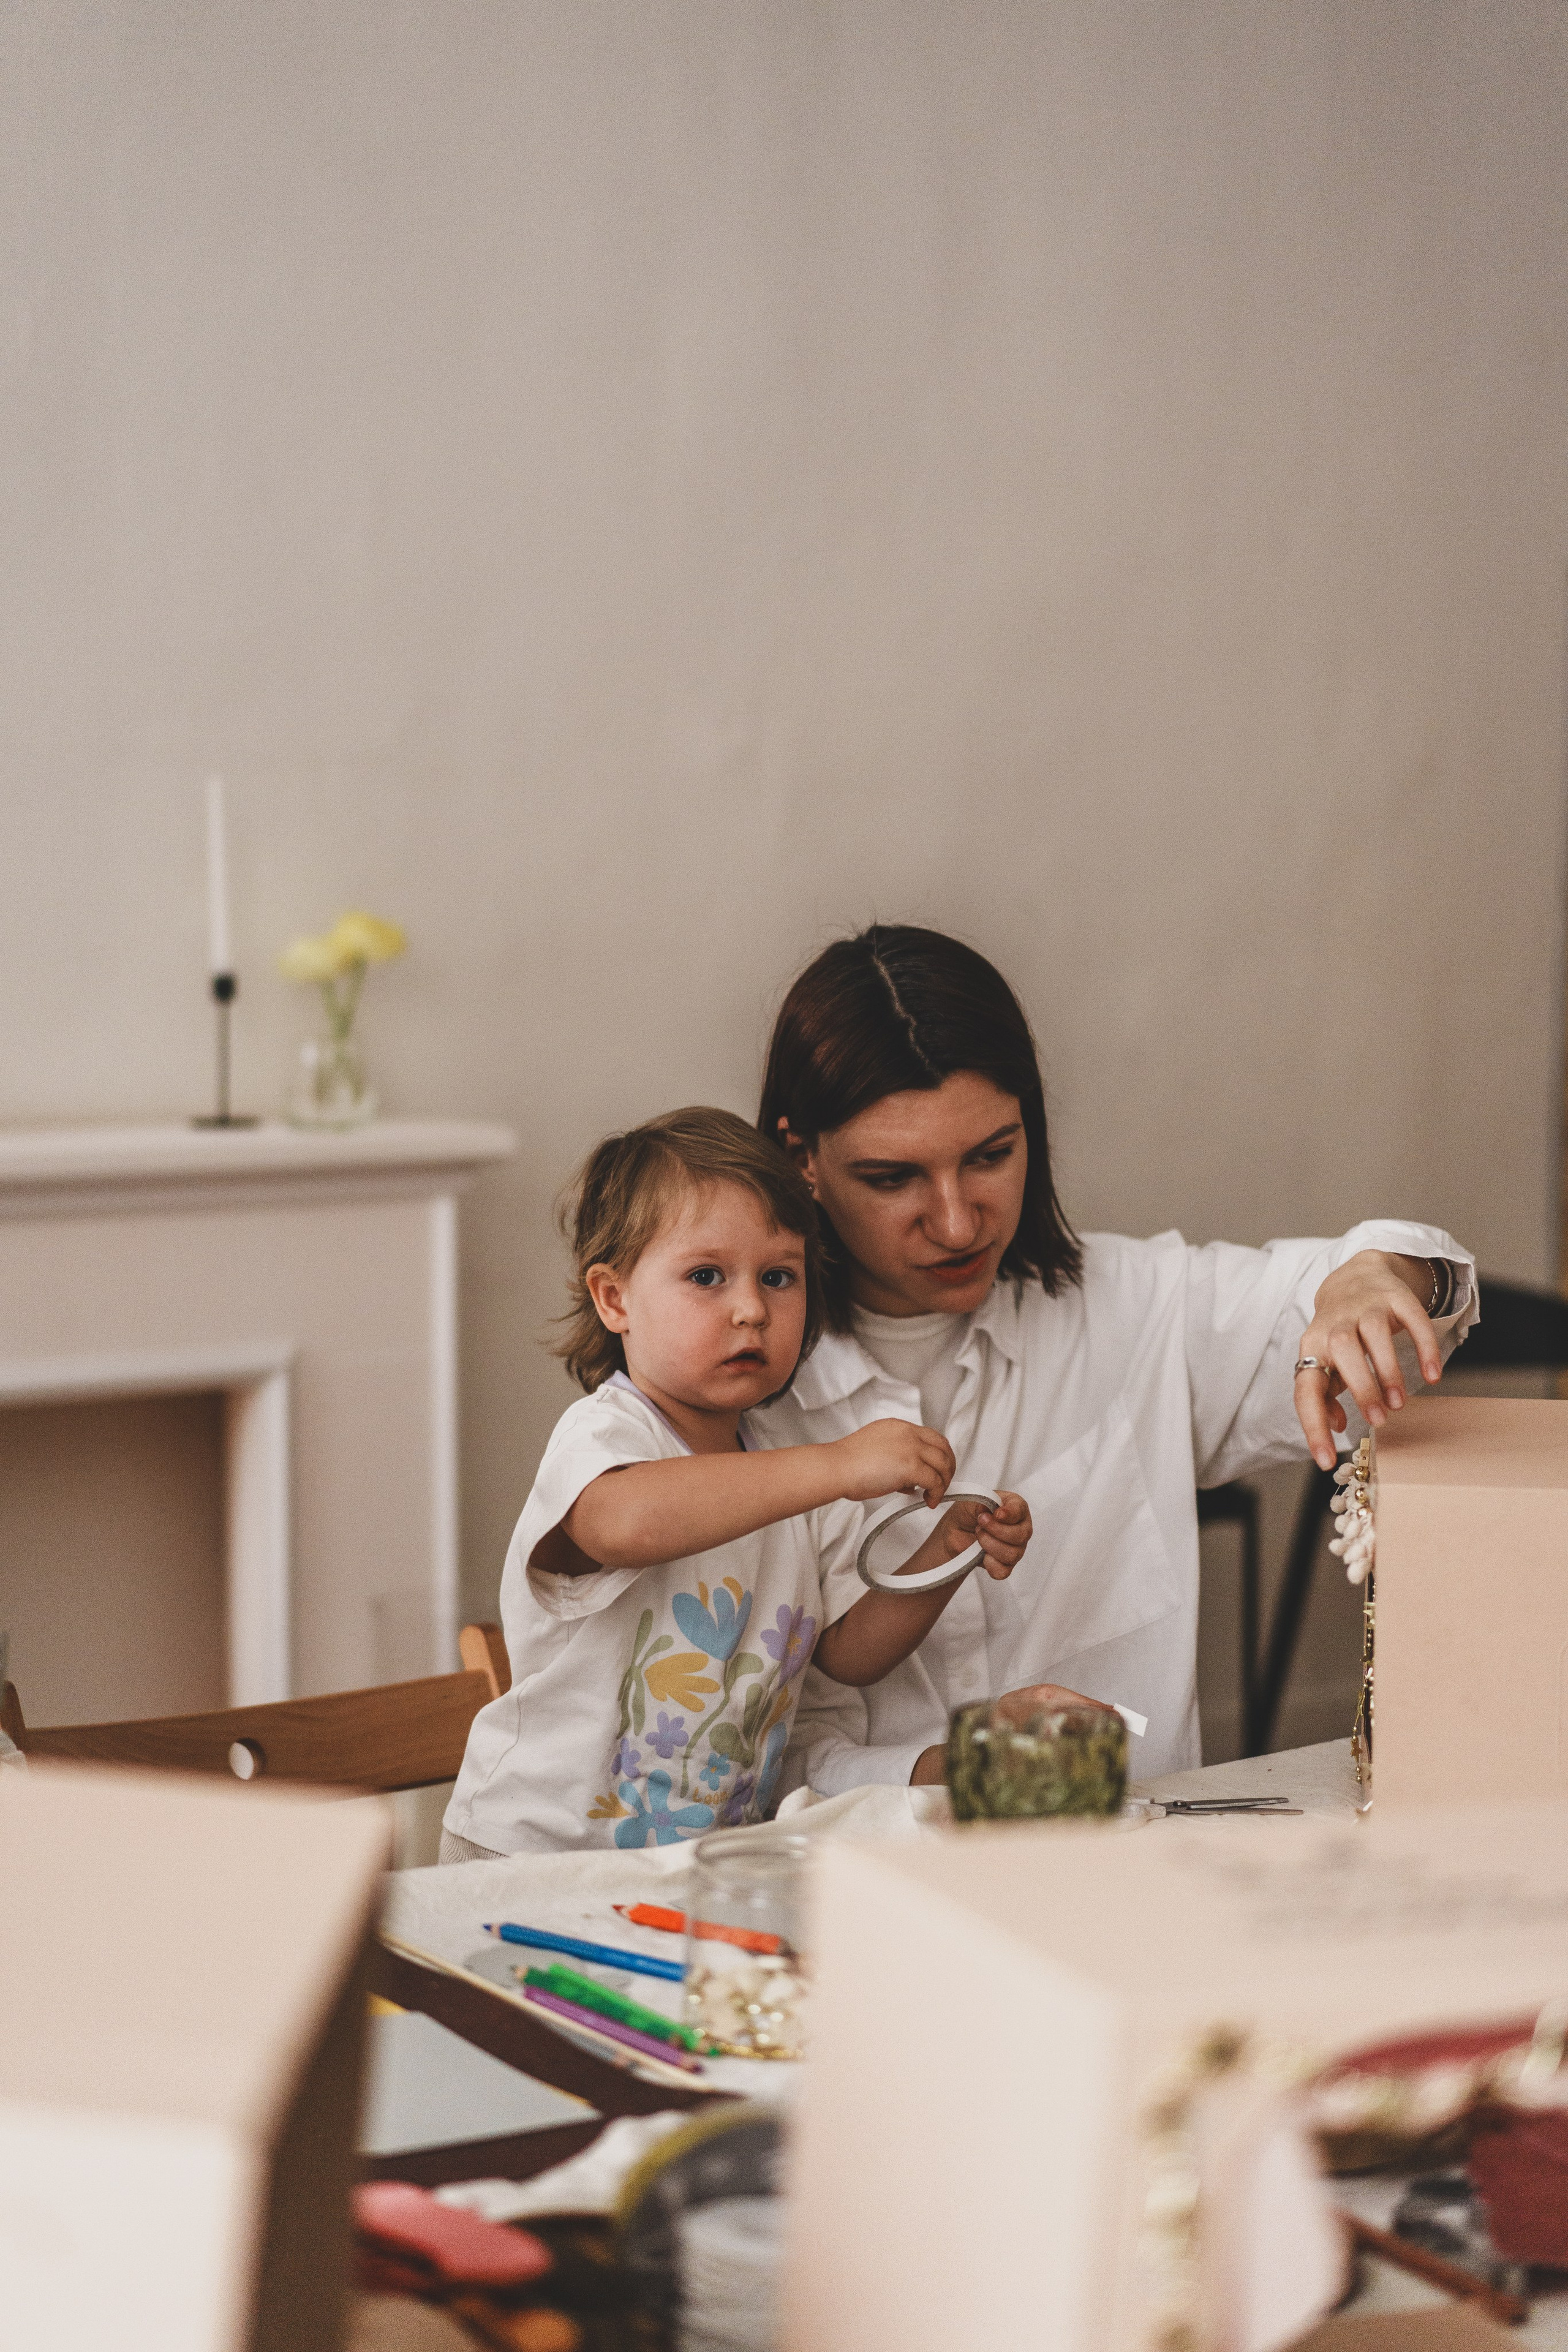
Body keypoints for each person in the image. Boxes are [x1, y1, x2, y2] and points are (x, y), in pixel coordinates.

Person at [750, 925, 1477, 1793]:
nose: (956, 1221)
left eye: (991, 1157)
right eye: (893, 1177)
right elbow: (747, 1754)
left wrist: (1377, 1277)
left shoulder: (1136, 1306)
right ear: (803, 1161)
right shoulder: (742, 1404)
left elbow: (1391, 1285)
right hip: (854, 1891)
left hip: (1140, 1880)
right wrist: (972, 1772)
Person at [441, 1106, 1032, 1858]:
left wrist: (945, 1555)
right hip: (529, 1855)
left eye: (779, 1277)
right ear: (614, 1298)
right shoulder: (608, 1436)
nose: (752, 1309)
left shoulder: (789, 1465)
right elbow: (622, 1523)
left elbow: (848, 1653)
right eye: (706, 1277)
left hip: (693, 1863)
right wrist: (838, 1467)